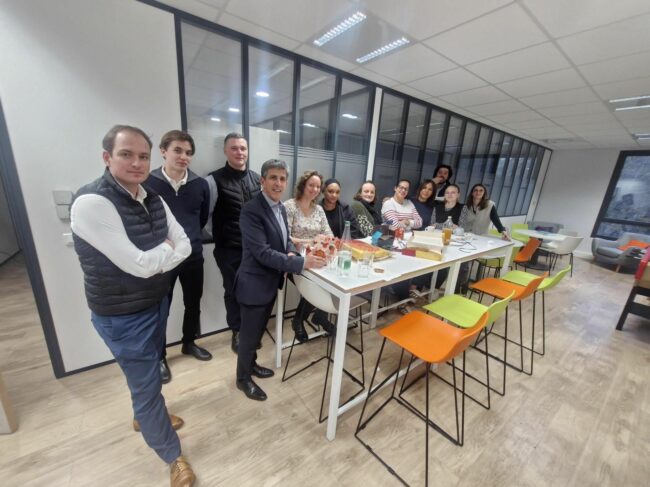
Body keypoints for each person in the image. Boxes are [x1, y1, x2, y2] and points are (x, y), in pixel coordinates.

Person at [70, 125, 196, 487]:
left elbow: (185, 244)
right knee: (146, 384)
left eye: (143, 156)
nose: (137, 163)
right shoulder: (92, 203)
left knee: (147, 375)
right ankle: (172, 456)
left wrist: (159, 256)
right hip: (122, 315)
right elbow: (139, 265)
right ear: (107, 157)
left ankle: (146, 416)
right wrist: (164, 252)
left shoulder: (152, 197)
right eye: (126, 154)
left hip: (154, 302)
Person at [235, 159, 326, 401]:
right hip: (253, 283)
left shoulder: (281, 208)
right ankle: (242, 379)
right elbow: (262, 252)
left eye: (282, 178)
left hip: (270, 282)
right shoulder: (251, 210)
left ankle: (251, 365)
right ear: (262, 181)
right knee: (248, 337)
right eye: (273, 178)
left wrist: (293, 253)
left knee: (257, 333)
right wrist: (301, 263)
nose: (278, 183)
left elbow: (285, 240)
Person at [146, 130, 212, 384]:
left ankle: (189, 342)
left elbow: (201, 218)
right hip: (163, 260)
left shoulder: (200, 184)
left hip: (193, 256)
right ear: (163, 151)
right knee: (161, 309)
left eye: (188, 152)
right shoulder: (148, 183)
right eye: (178, 150)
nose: (184, 156)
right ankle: (160, 356)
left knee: (193, 303)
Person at [207, 133, 261, 353]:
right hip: (228, 249)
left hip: (255, 249)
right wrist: (222, 235)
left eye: (243, 148)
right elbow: (206, 217)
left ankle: (250, 330)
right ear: (225, 151)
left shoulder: (258, 179)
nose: (240, 152)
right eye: (234, 148)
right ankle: (237, 331)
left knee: (253, 292)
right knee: (233, 291)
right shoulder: (213, 180)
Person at [285, 171, 334, 342]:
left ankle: (320, 316)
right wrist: (311, 240)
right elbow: (285, 237)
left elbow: (328, 233)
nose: (314, 189)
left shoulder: (319, 209)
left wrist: (325, 241)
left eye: (318, 186)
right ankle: (298, 320)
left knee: (330, 280)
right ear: (303, 185)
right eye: (311, 185)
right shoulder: (290, 206)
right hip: (295, 258)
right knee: (315, 284)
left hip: (317, 257)